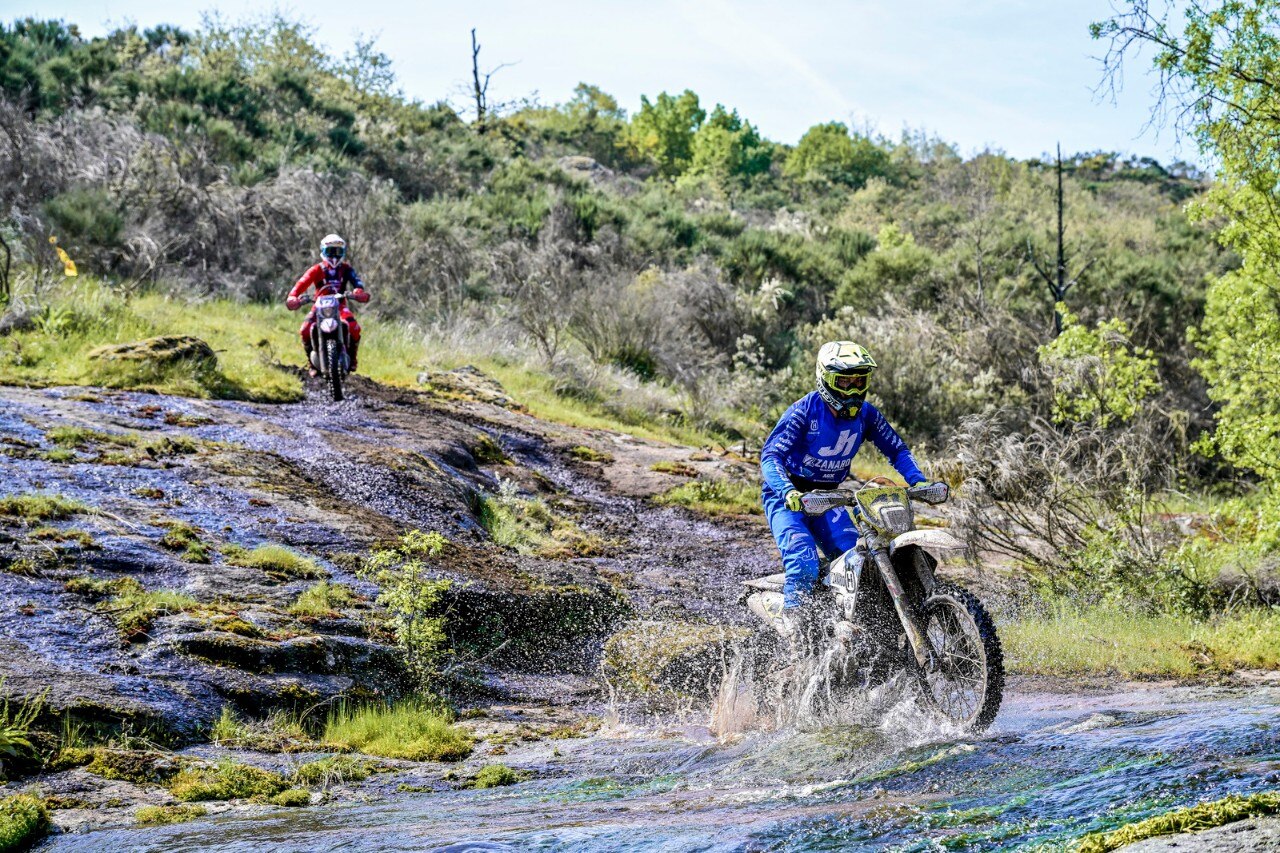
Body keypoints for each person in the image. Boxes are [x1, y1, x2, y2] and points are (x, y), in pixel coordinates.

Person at [760, 341, 941, 621]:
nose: (854, 389)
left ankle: (842, 626)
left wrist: (917, 481)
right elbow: (771, 455)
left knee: (857, 562)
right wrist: (787, 490)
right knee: (804, 563)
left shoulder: (867, 414)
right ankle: (795, 635)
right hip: (788, 498)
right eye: (844, 381)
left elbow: (896, 449)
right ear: (825, 379)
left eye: (859, 380)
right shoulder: (803, 412)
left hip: (830, 496)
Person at [285, 234, 370, 377]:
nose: (334, 256)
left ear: (343, 252)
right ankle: (311, 363)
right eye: (330, 251)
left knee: (354, 328)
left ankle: (352, 358)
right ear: (323, 251)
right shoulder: (316, 269)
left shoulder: (346, 269)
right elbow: (301, 283)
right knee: (305, 330)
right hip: (319, 305)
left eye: (338, 251)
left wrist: (358, 291)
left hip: (339, 305)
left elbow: (357, 282)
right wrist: (293, 297)